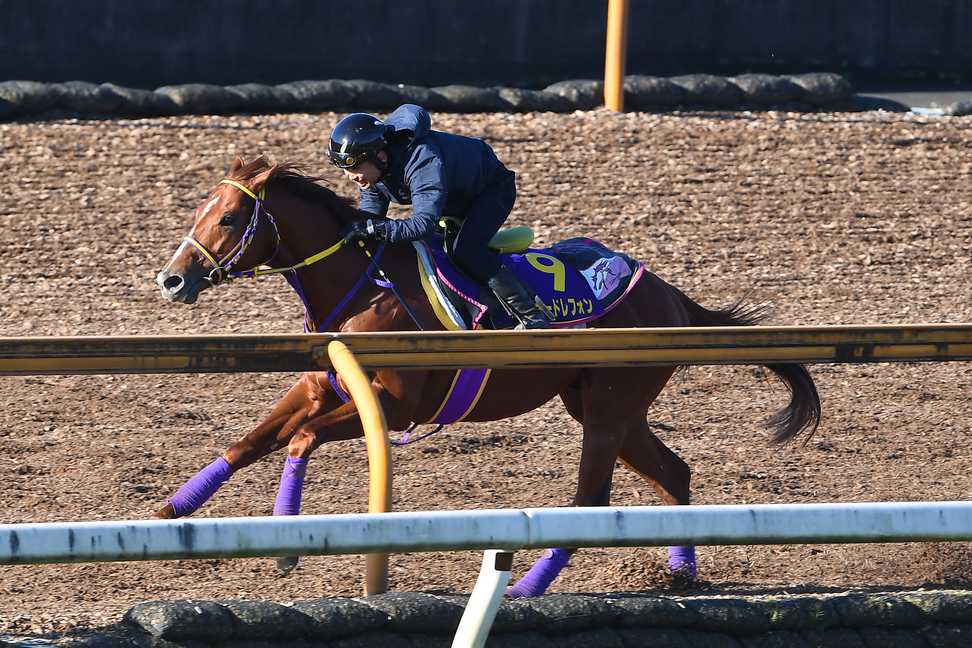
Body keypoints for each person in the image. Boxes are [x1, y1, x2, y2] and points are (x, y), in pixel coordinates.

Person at [327, 104, 549, 329]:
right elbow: (370, 218)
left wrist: (378, 230)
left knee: (465, 250)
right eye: (344, 169)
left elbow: (422, 225)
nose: (349, 177)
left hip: (491, 190)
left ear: (379, 155)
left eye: (353, 167)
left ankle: (531, 315)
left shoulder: (423, 159)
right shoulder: (374, 171)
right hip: (454, 196)